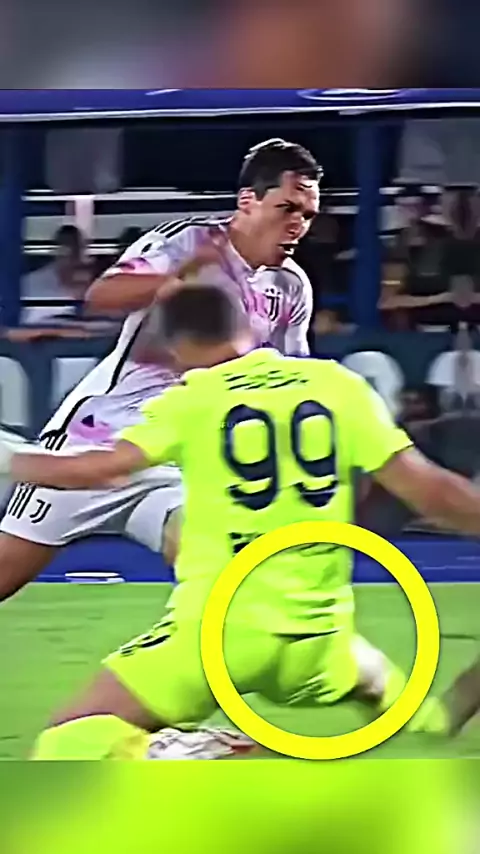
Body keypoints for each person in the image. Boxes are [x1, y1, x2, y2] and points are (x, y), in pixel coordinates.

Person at [3, 284, 478, 760]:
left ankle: (195, 755)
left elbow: (96, 471)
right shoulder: (338, 386)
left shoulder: (191, 401)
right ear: (249, 326)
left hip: (219, 636)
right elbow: (432, 490)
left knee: (67, 743)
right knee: (426, 722)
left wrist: (10, 459)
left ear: (172, 349)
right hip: (325, 643)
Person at [0, 137, 320, 603]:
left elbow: (290, 378)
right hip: (102, 437)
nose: (297, 225)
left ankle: (189, 647)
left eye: (308, 215)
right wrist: (179, 276)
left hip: (181, 455)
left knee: (213, 566)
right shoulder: (186, 241)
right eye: (287, 208)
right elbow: (102, 296)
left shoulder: (291, 287)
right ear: (247, 200)